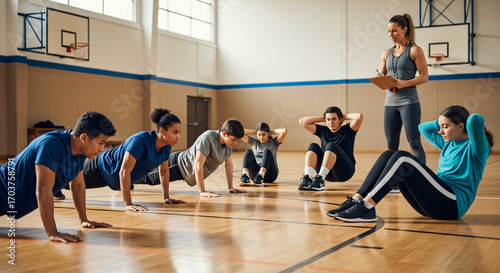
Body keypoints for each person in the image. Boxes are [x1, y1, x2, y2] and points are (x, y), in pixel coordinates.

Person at [328, 105, 494, 222]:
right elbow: (422, 128)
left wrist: (473, 128)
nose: (441, 131)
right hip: (432, 202)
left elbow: (475, 120)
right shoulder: (448, 142)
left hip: (453, 203)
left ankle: (367, 207)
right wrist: (442, 122)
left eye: (445, 127)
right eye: (441, 127)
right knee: (390, 154)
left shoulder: (477, 148)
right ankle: (358, 200)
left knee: (403, 158)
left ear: (460, 126)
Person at [0, 112, 116, 242]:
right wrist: (53, 232)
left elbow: (77, 185)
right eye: (101, 143)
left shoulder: (80, 153)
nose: (102, 149)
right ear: (84, 138)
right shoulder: (50, 144)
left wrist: (84, 220)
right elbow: (43, 190)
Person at [80, 108, 184, 212]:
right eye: (175, 132)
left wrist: (166, 197)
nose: (178, 137)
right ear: (162, 131)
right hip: (98, 168)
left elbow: (164, 171)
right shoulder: (140, 141)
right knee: (66, 181)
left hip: (110, 179)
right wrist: (128, 204)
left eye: (179, 132)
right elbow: (124, 171)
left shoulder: (166, 146)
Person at [144, 118, 247, 197]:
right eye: (234, 140)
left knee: (145, 177)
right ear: (224, 134)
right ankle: (129, 179)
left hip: (185, 172)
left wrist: (231, 187)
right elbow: (198, 164)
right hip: (177, 165)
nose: (235, 143)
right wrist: (202, 191)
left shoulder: (228, 145)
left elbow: (228, 164)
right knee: (146, 177)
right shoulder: (208, 138)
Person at [378, 14, 428, 165]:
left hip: (409, 102)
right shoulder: (386, 53)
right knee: (391, 145)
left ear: (404, 30)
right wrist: (379, 77)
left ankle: (422, 179)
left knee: (414, 142)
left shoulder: (414, 50)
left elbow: (424, 76)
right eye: (388, 31)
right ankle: (392, 180)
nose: (390, 35)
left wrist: (405, 83)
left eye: (394, 31)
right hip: (390, 103)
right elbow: (382, 74)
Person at [298, 107, 363, 191]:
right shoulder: (323, 131)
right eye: (328, 119)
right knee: (313, 146)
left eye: (334, 119)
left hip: (345, 172)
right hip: (327, 175)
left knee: (331, 145)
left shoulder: (348, 130)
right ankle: (308, 179)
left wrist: (344, 117)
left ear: (340, 119)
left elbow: (359, 116)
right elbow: (302, 121)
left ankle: (320, 180)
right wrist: (324, 118)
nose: (331, 122)